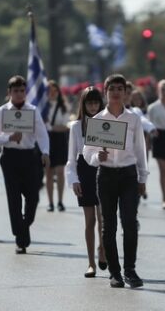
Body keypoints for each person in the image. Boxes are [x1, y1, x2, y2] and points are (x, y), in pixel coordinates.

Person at [83, 74, 149, 288]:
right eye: (112, 89)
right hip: (107, 175)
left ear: (125, 92)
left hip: (128, 175)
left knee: (130, 222)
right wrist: (96, 158)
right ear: (106, 92)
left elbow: (140, 149)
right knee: (108, 226)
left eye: (120, 88)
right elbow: (87, 152)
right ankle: (115, 272)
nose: (116, 92)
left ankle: (130, 269)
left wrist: (142, 176)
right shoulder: (98, 120)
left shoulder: (133, 119)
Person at [0, 76, 49, 254]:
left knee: (33, 197)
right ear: (9, 93)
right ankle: (20, 238)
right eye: (15, 91)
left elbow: (42, 134)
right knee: (14, 199)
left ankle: (23, 226)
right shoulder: (1, 112)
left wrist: (45, 152)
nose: (19, 94)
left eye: (22, 90)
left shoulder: (32, 111)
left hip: (29, 158)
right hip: (10, 158)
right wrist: (8, 138)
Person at [65, 86, 107, 278]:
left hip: (104, 169)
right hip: (84, 171)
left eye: (95, 102)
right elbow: (71, 158)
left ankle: (103, 249)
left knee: (104, 219)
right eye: (89, 102)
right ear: (83, 104)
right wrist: (73, 180)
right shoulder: (76, 126)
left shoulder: (107, 122)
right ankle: (91, 263)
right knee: (90, 220)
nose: (92, 106)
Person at [147, 80, 165, 209]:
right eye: (162, 89)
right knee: (162, 169)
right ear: (158, 91)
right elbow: (148, 126)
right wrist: (147, 143)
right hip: (158, 138)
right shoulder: (152, 108)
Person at [45, 80, 70, 212]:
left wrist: (51, 127)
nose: (52, 93)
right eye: (49, 90)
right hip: (47, 140)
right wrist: (54, 127)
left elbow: (65, 126)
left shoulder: (63, 106)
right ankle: (50, 202)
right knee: (49, 173)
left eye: (54, 90)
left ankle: (60, 200)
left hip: (60, 141)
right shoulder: (43, 107)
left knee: (60, 172)